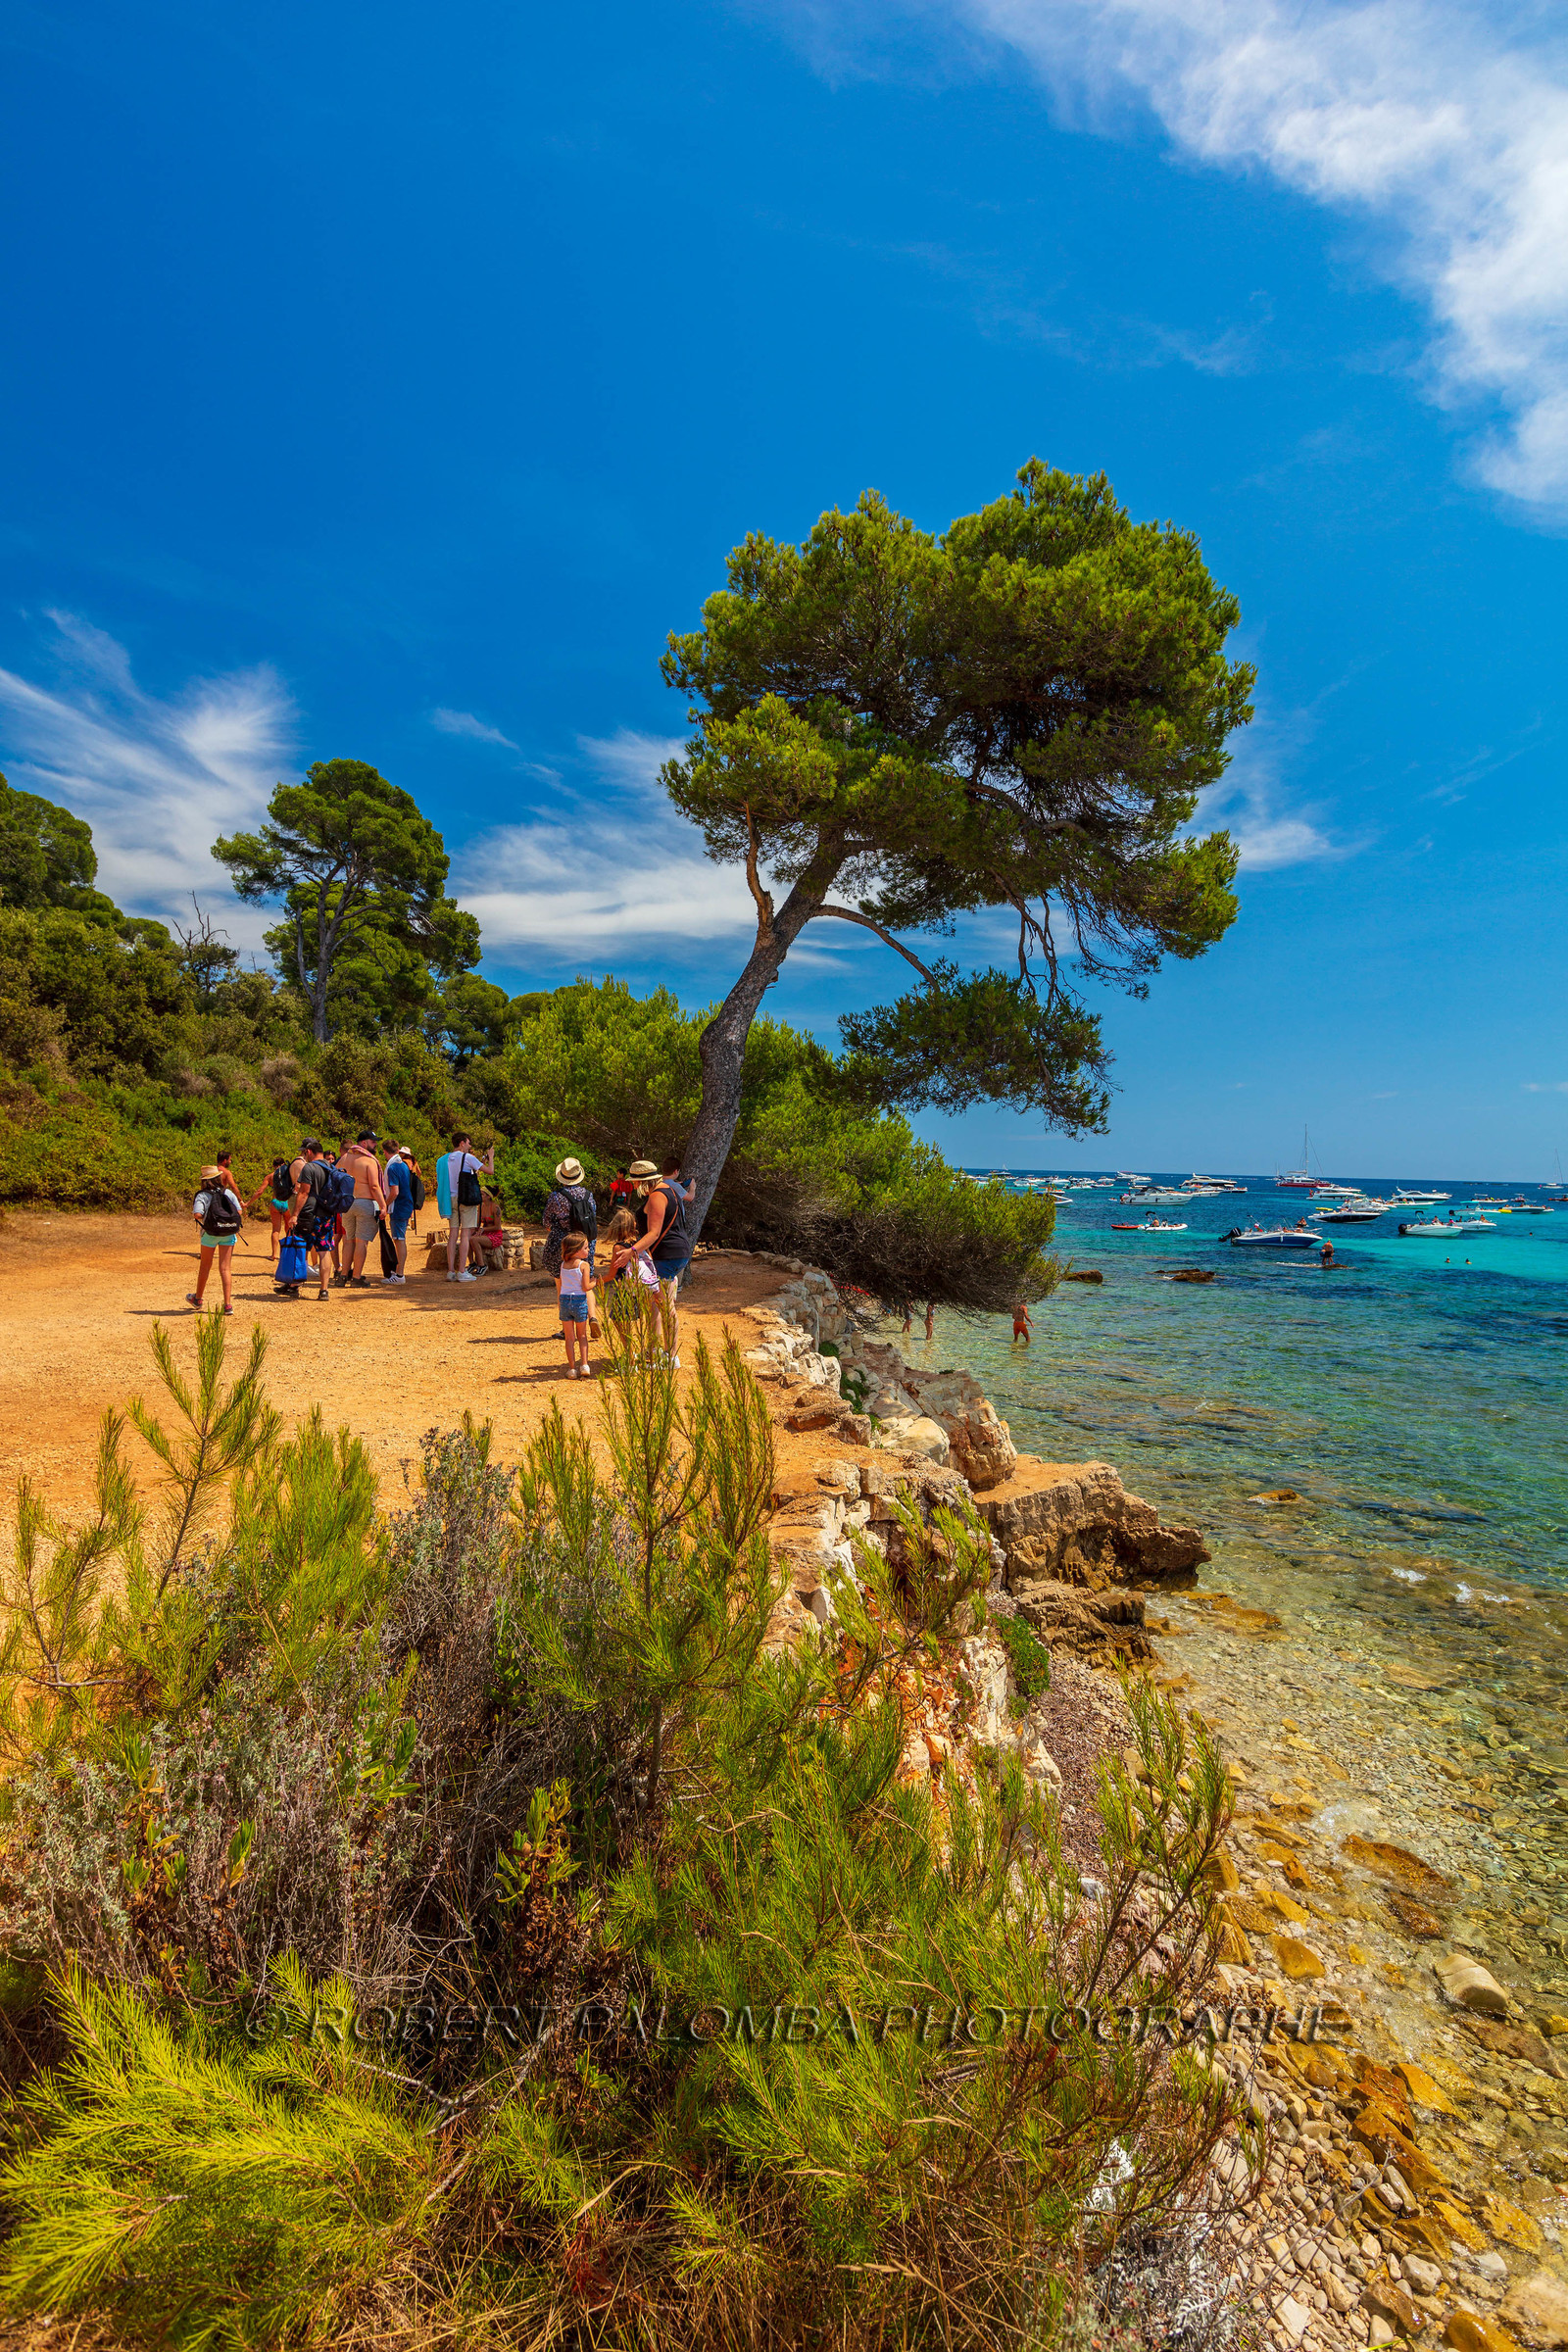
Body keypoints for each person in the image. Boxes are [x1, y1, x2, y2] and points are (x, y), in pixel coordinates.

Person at [629, 1152, 693, 1362]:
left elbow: (654, 1233)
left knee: (666, 1306)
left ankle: (671, 1356)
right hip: (673, 1253)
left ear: (643, 1181)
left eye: (636, 1182)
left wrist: (631, 1251)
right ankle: (654, 1350)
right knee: (656, 1304)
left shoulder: (657, 1195)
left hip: (666, 1255)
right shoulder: (669, 1190)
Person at [187, 1162, 245, 1312]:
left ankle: (198, 1299)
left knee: (205, 1266)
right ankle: (228, 1305)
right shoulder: (228, 1193)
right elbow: (238, 1212)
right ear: (218, 1178)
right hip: (228, 1232)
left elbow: (198, 1214)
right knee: (225, 1268)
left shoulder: (202, 1195)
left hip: (210, 1234)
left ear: (204, 1180)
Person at [438, 1131, 493, 1283]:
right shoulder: (468, 1158)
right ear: (462, 1143)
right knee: (465, 1234)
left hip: (450, 1198)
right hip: (466, 1198)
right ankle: (462, 1271)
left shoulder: (443, 1160)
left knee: (453, 1234)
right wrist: (491, 1158)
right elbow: (490, 1171)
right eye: (469, 1143)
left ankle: (450, 1271)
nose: (470, 1146)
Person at [339, 1130, 389, 1289]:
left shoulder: (344, 1159)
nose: (375, 1145)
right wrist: (383, 1205)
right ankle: (356, 1277)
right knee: (361, 1242)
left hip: (347, 1203)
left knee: (348, 1240)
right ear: (364, 1143)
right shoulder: (369, 1161)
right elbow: (374, 1186)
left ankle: (342, 1276)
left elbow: (335, 1178)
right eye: (373, 1142)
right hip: (364, 1202)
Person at [286, 1139, 334, 1302]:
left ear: (308, 1152)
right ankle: (324, 1290)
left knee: (302, 1248)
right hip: (326, 1214)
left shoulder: (309, 1167)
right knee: (324, 1250)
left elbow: (303, 1193)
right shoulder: (331, 1167)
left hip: (309, 1213)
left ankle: (294, 1286)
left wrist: (294, 1215)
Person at [543, 1156, 599, 1275]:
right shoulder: (588, 1195)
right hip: (585, 1241)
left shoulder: (556, 1196)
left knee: (561, 1278)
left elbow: (546, 1221)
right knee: (585, 1278)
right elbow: (593, 1214)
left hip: (564, 1241)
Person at [556, 1230, 595, 1379]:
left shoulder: (563, 1264)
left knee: (569, 1338)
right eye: (585, 1248)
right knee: (582, 1335)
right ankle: (584, 1364)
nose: (588, 1250)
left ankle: (572, 1369)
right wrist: (595, 1282)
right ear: (577, 1250)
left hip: (565, 1300)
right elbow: (585, 1287)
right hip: (579, 1301)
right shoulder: (584, 1265)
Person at [246, 1149, 295, 1262]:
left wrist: (248, 1203)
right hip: (287, 1203)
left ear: (274, 1166)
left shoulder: (270, 1176)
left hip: (276, 1202)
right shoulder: (289, 1174)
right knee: (288, 1228)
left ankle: (273, 1254)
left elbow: (259, 1191)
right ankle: (286, 1254)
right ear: (283, 1164)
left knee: (275, 1230)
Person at [382, 1145, 415, 1285]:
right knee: (398, 1239)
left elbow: (394, 1192)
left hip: (399, 1207)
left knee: (399, 1239)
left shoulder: (393, 1167)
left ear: (385, 1152)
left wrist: (384, 1205)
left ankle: (400, 1274)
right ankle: (398, 1271)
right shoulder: (402, 1165)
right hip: (405, 1205)